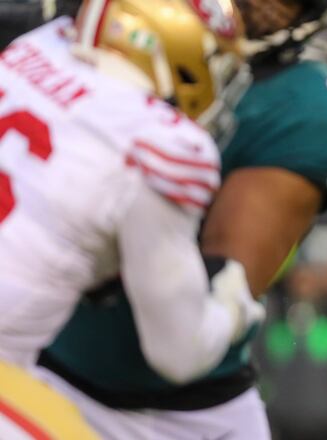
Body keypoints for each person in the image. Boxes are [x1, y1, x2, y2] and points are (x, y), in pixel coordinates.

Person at [36, 0, 327, 438]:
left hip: (188, 411)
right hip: (42, 358)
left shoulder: (313, 111)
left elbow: (201, 317)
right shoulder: (103, 20)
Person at [0, 0, 261, 437]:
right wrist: (233, 307)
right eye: (212, 57)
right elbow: (178, 353)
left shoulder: (34, 48)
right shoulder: (163, 146)